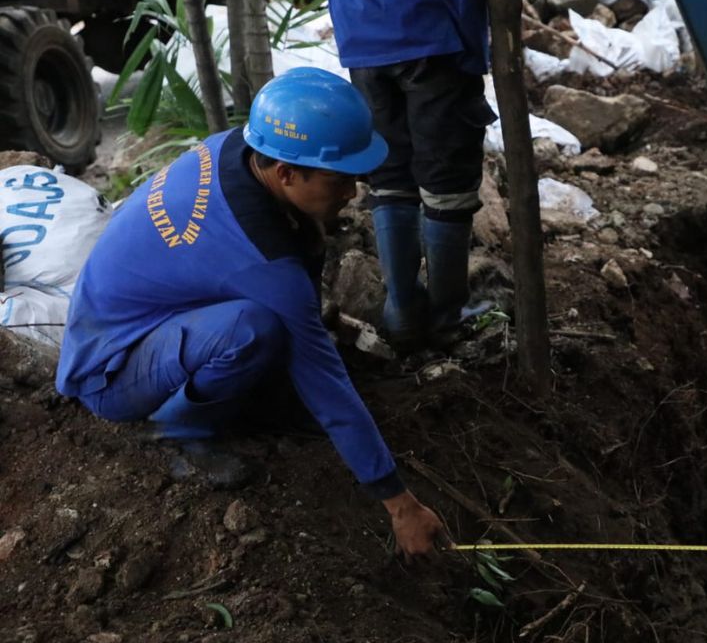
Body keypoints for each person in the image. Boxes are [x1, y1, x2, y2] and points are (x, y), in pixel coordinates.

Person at [56, 69, 447, 560]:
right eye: (339, 179)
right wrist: (399, 504)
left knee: (296, 268)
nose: (352, 194)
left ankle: (253, 396)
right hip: (109, 369)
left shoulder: (235, 148)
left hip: (141, 316)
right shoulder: (259, 257)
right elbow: (322, 374)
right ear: (285, 173)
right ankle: (178, 433)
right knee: (255, 331)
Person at [322, 0, 546, 351]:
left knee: (391, 177)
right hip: (430, 32)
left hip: (364, 36)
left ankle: (402, 312)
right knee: (446, 183)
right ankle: (447, 317)